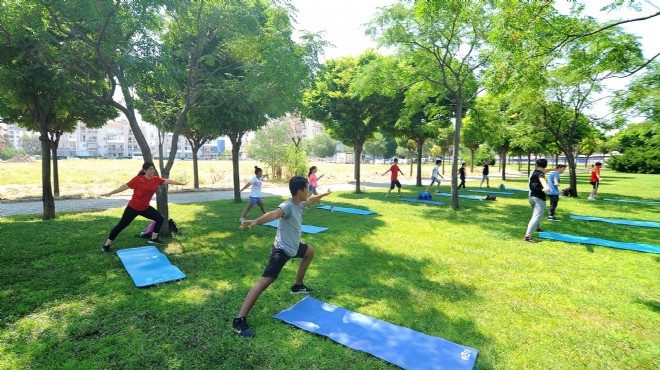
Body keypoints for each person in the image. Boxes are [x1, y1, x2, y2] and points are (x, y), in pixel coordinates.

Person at [233, 176, 331, 338]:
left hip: (294, 246)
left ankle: (297, 285)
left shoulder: (301, 203)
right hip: (282, 250)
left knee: (310, 251)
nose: (310, 191)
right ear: (300, 191)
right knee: (265, 282)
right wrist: (255, 221)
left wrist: (323, 195)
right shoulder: (288, 206)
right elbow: (273, 214)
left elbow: (312, 200)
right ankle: (239, 320)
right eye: (307, 188)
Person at [101, 162, 186, 253]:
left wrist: (181, 183)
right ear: (144, 170)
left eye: (153, 169)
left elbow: (167, 181)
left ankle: (153, 239)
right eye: (150, 169)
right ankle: (106, 245)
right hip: (133, 207)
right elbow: (124, 187)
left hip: (145, 208)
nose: (152, 171)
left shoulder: (155, 179)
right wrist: (110, 193)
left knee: (160, 218)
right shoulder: (138, 179)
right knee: (121, 225)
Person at [524, 159, 550, 243]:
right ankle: (528, 236)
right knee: (536, 216)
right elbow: (542, 179)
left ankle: (538, 227)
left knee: (537, 214)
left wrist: (553, 169)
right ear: (545, 165)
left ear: (537, 165)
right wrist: (546, 186)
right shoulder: (541, 174)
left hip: (531, 198)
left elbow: (543, 172)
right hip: (539, 198)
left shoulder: (534, 172)